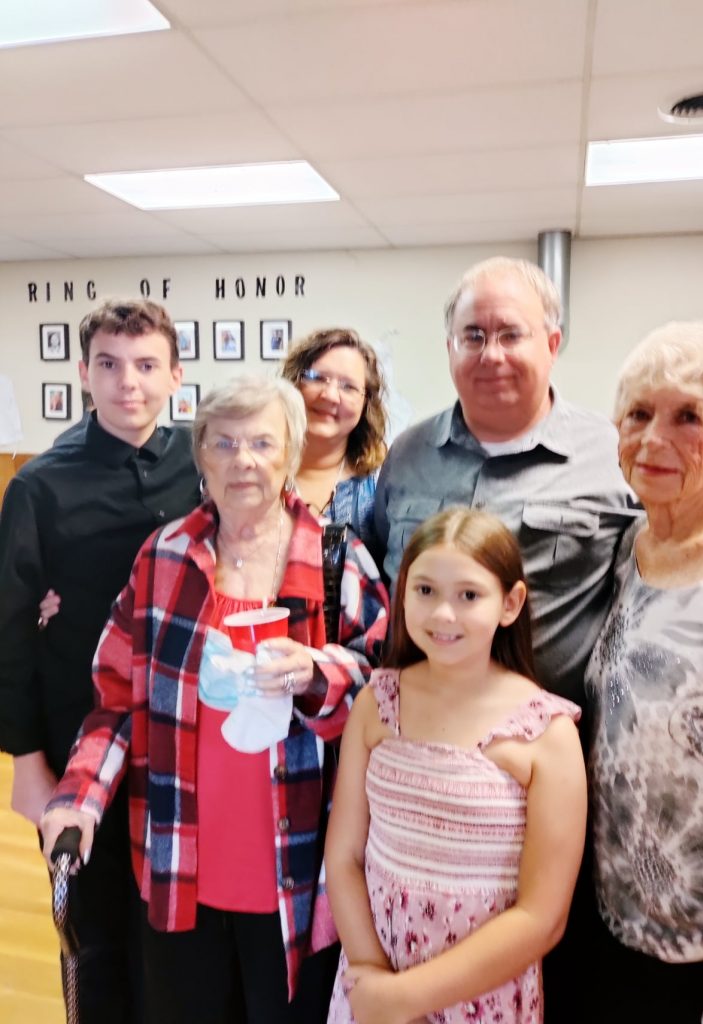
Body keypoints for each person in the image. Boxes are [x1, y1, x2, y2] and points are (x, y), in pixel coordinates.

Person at [40, 373, 390, 1024]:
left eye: (262, 442)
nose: (243, 460)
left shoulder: (338, 558)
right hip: (179, 867)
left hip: (296, 874)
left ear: (288, 455)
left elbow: (385, 680)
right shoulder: (164, 558)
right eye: (223, 443)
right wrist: (79, 798)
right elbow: (115, 696)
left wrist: (319, 672)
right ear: (200, 454)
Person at [372, 257, 635, 1021]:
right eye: (472, 334)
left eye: (511, 334)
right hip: (414, 780)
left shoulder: (609, 456)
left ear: (552, 341)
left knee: (540, 972)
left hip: (542, 780)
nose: (490, 354)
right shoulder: (408, 456)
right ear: (448, 345)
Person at [0, 298, 198, 1023]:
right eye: (109, 366)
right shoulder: (39, 486)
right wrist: (26, 764)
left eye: (147, 365)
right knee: (95, 928)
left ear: (176, 374)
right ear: (85, 374)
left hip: (181, 732)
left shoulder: (201, 461)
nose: (128, 384)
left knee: (172, 919)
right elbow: (11, 633)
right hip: (80, 736)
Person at [325, 507, 586, 1024]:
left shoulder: (546, 731)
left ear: (510, 604)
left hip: (481, 995)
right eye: (424, 591)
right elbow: (345, 858)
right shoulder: (378, 701)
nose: (443, 614)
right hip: (372, 985)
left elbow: (542, 917)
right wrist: (375, 982)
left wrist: (408, 999)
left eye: (468, 596)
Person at [585, 321, 703, 1023]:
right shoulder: (625, 550)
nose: (654, 438)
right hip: (610, 943)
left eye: (687, 416)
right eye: (638, 414)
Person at [282, 328, 387, 556]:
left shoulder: (382, 484)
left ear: (366, 403)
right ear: (293, 384)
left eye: (348, 386)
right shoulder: (256, 470)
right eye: (317, 378)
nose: (330, 395)